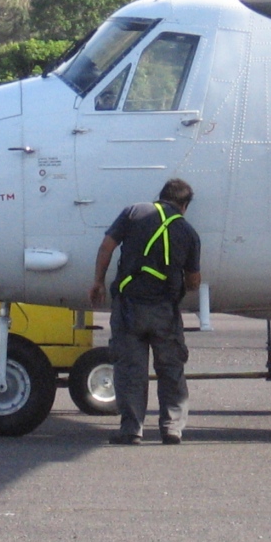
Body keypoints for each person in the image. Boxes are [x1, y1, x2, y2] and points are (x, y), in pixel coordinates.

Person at [89, 178, 201, 446]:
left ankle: (131, 429)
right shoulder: (188, 232)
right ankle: (172, 428)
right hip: (165, 311)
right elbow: (194, 280)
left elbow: (107, 247)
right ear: (184, 205)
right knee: (171, 369)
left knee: (130, 370)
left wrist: (98, 282)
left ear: (160, 197)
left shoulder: (134, 212)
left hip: (129, 307)